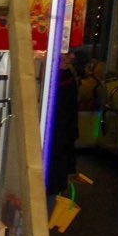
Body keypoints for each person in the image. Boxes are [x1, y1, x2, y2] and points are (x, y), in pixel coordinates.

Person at [46, 51, 80, 213]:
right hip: (58, 148)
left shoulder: (63, 81)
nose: (71, 57)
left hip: (56, 147)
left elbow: (70, 124)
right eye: (66, 53)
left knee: (50, 192)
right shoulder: (69, 81)